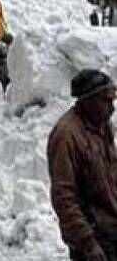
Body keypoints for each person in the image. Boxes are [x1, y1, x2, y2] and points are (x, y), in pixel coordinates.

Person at [48, 70, 117, 261]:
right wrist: (88, 244)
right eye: (106, 101)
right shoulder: (66, 136)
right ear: (87, 100)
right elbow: (64, 196)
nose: (112, 108)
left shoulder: (102, 125)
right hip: (93, 239)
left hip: (112, 230)